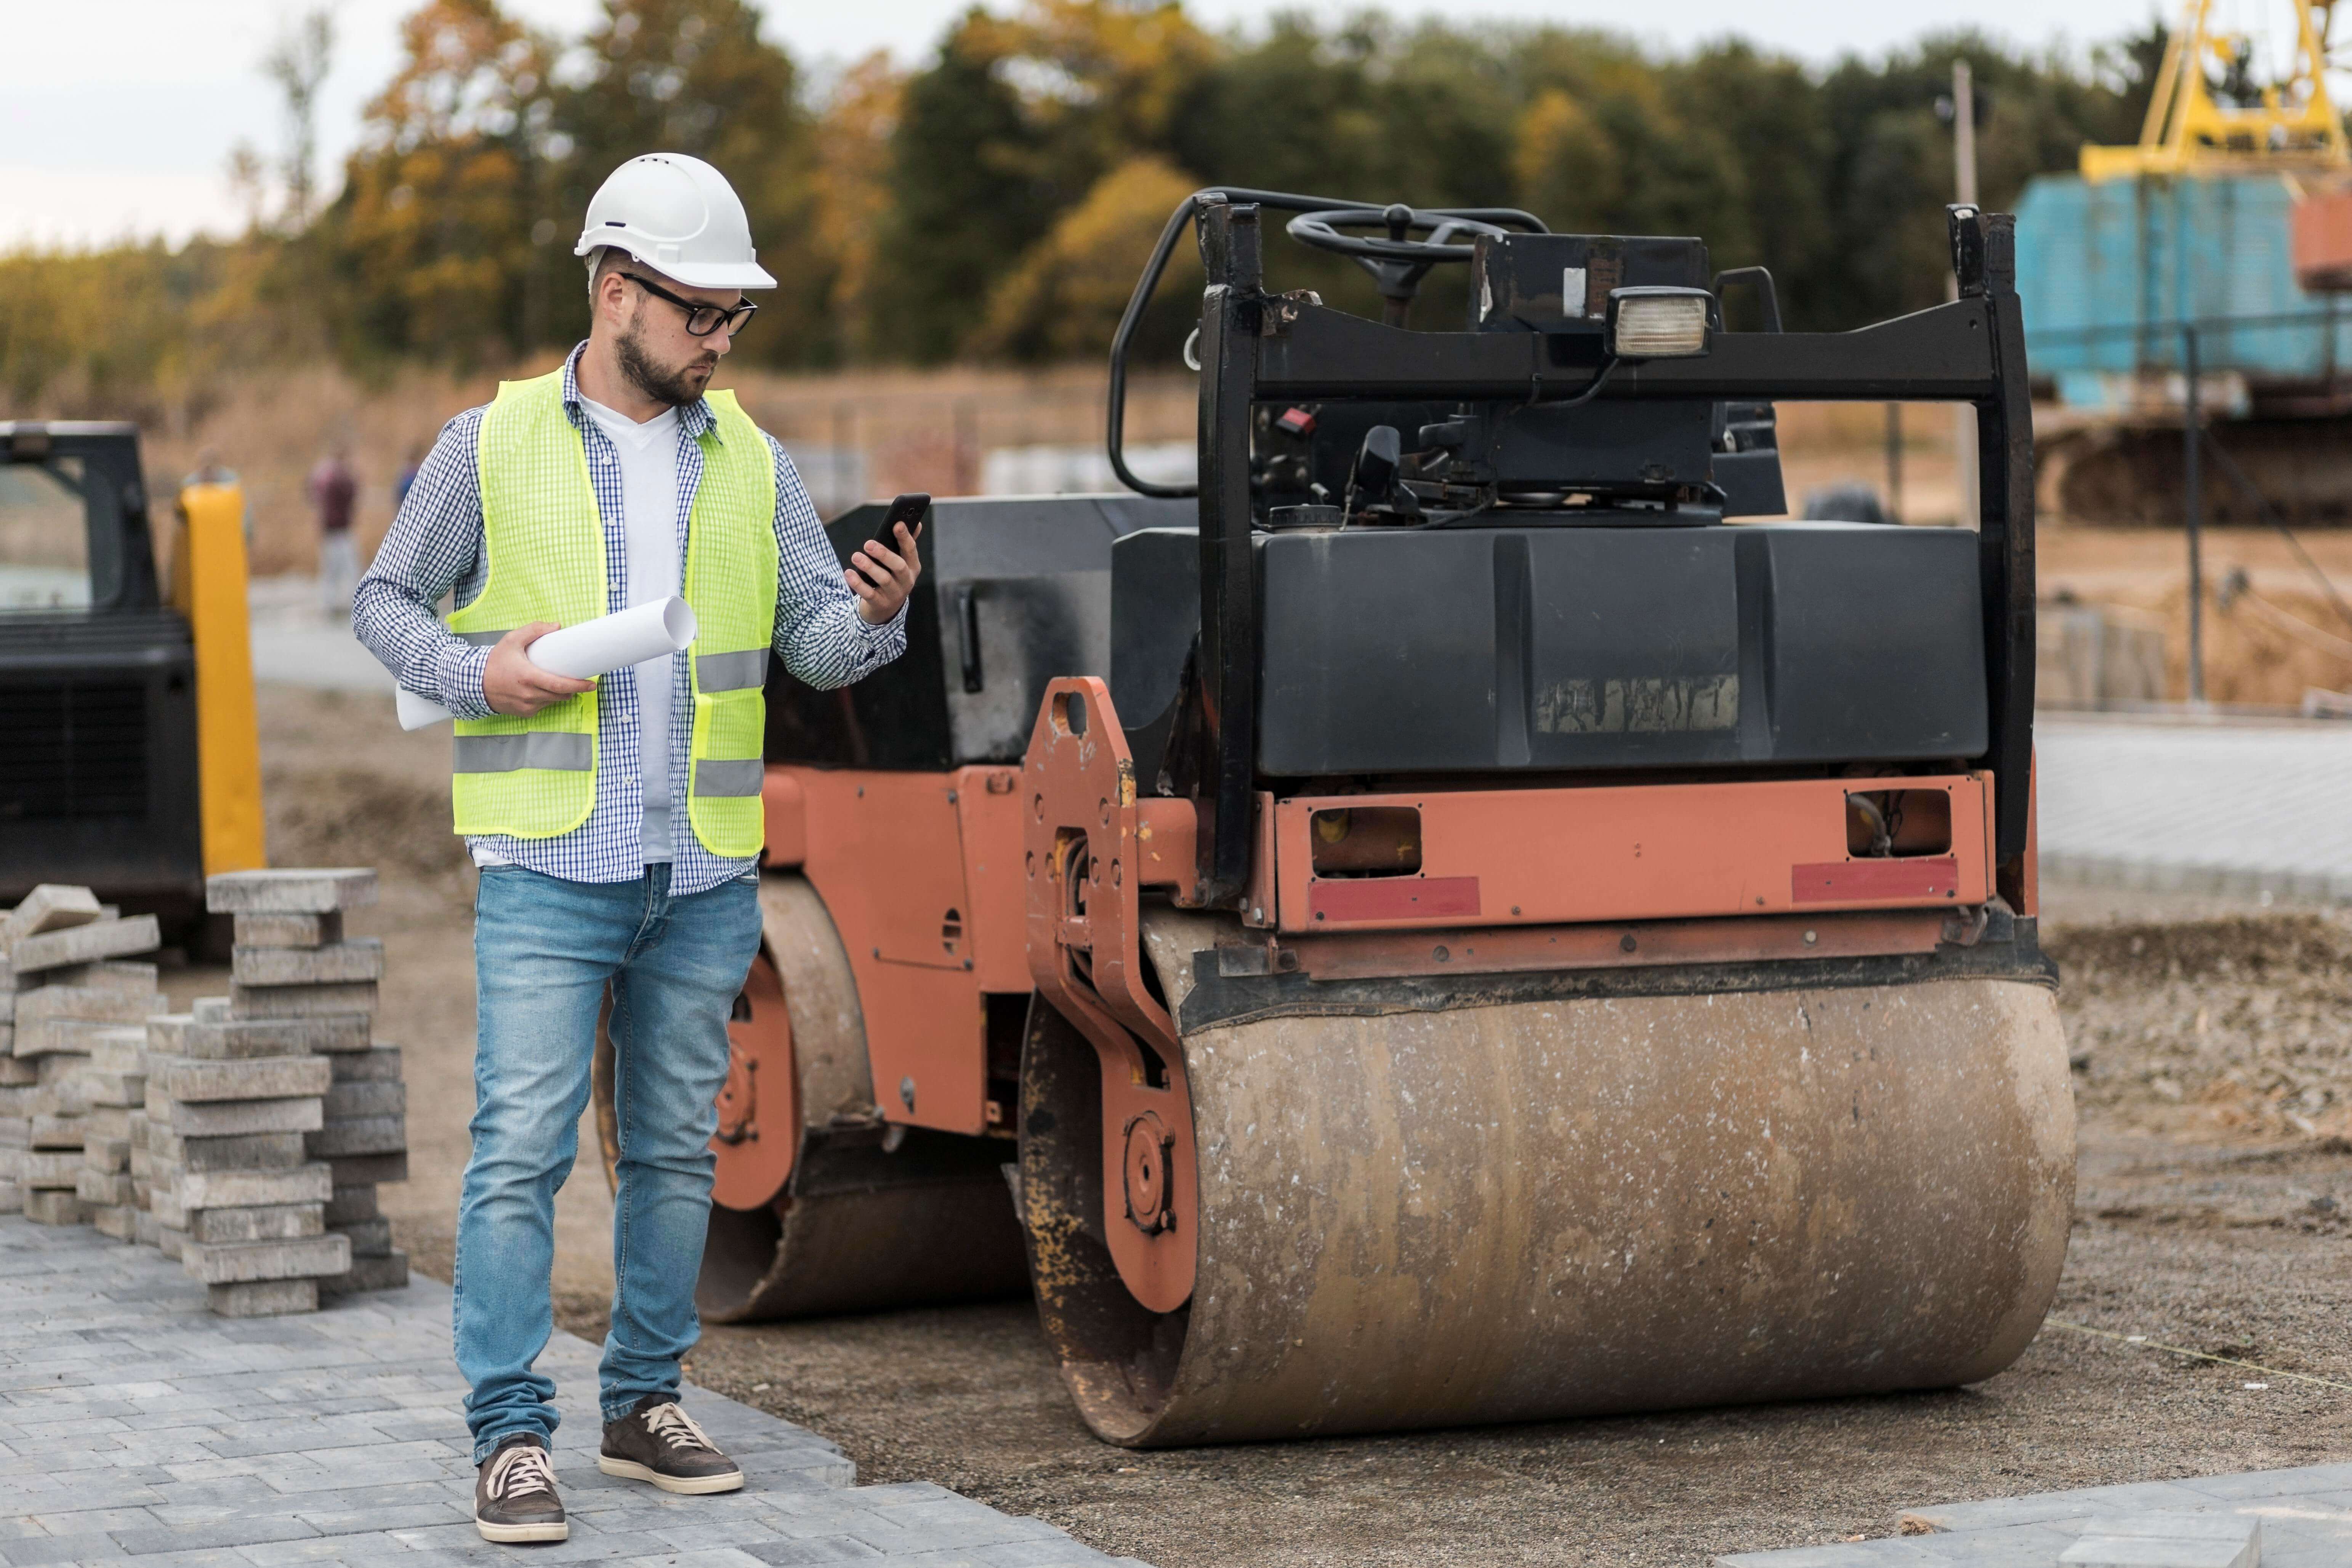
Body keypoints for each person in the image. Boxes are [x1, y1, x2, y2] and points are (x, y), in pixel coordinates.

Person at [351, 152, 922, 1545]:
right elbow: (382, 603)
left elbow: (813, 648)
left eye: (737, 318)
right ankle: (508, 1437)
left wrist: (880, 612)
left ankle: (643, 1401)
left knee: (676, 1152)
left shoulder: (757, 463)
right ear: (618, 293)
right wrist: (487, 673)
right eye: (703, 314)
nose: (724, 341)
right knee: (517, 1156)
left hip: (703, 872)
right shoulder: (486, 446)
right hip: (549, 866)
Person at [308, 445, 359, 615]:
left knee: (331, 571)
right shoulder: (337, 478)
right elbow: (352, 491)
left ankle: (330, 603)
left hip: (330, 530)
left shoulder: (322, 476)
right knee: (348, 568)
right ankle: (349, 602)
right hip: (340, 530)